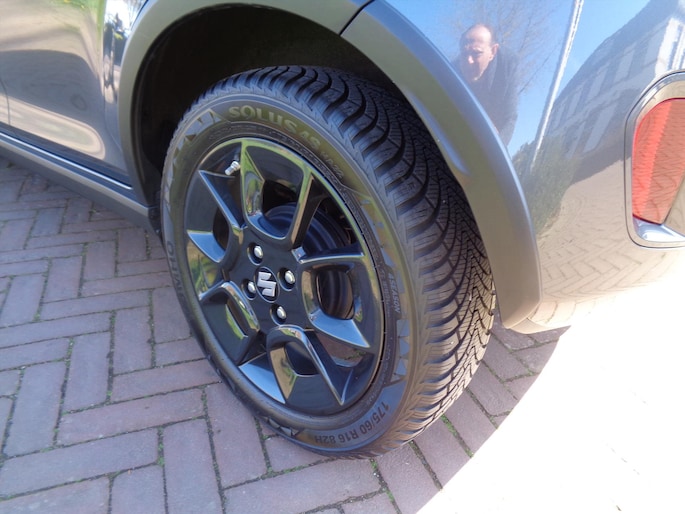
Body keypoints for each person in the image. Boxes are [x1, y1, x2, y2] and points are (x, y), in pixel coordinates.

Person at [458, 24, 519, 144]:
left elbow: (509, 118)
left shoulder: (507, 65)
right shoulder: (452, 72)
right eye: (464, 54)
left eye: (476, 53)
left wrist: (496, 146)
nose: (469, 61)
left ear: (493, 51)